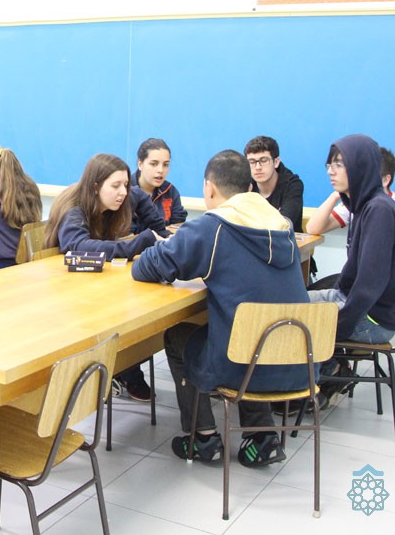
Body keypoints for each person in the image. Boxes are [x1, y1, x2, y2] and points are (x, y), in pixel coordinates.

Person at [132, 150, 310, 466]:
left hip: (243, 365)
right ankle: (261, 436)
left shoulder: (212, 228)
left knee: (179, 336)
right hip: (298, 361)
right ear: (250, 188)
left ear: (209, 188)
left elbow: (146, 268)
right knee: (250, 335)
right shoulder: (283, 226)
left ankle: (203, 437)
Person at [45, 153, 162, 401]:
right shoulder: (74, 209)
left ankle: (124, 371)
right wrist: (138, 243)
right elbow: (79, 246)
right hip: (66, 295)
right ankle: (122, 373)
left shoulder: (112, 205)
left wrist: (158, 233)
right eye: (116, 186)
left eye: (126, 185)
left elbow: (139, 198)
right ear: (95, 186)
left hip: (93, 284)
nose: (123, 192)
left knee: (131, 311)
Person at [307, 135, 395, 410]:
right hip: (354, 302)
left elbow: (370, 285)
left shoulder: (378, 210)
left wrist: (337, 324)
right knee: (286, 304)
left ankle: (312, 385)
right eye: (330, 164)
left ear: (360, 167)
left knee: (294, 321)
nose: (330, 171)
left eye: (339, 164)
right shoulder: (363, 205)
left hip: (373, 319)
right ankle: (322, 375)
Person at [306, 146, 395, 289]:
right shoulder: (358, 201)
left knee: (311, 300)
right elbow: (313, 228)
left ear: (385, 180)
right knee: (306, 295)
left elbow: (376, 264)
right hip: (367, 277)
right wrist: (336, 194)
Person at [244, 135, 304, 233]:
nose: (258, 167)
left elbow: (283, 224)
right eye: (252, 162)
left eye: (264, 160)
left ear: (276, 162)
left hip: (285, 241)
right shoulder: (245, 184)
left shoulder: (293, 185)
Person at [133, 138, 187, 226]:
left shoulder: (170, 191)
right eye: (153, 164)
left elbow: (178, 226)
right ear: (140, 164)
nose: (160, 170)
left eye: (165, 165)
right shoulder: (126, 191)